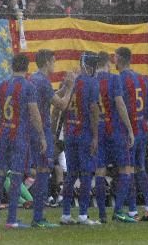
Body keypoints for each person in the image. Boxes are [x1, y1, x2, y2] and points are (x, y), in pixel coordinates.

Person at [0, 54, 45, 228]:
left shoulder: (0, 86)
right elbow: (34, 113)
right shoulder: (28, 86)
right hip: (19, 136)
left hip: (4, 135)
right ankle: (11, 220)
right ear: (27, 68)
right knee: (16, 177)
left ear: (11, 66)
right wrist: (42, 136)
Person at [92, 52, 136, 223]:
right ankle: (117, 210)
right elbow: (120, 103)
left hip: (99, 130)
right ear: (107, 64)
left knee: (100, 171)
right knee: (125, 169)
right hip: (115, 130)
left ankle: (102, 214)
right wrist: (130, 129)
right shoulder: (114, 79)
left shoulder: (92, 81)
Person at [115, 47, 148, 221]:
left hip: (128, 131)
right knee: (140, 168)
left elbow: (118, 106)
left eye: (115, 58)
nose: (113, 61)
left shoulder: (120, 80)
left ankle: (132, 210)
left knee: (127, 169)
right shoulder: (142, 78)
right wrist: (144, 121)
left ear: (119, 59)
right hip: (142, 129)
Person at [28, 49, 68, 228]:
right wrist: (71, 86)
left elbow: (51, 97)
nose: (55, 64)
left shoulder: (35, 79)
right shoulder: (42, 82)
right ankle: (38, 217)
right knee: (44, 173)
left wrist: (64, 88)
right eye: (53, 61)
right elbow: (61, 104)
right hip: (41, 130)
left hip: (33, 131)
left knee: (41, 171)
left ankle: (36, 216)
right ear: (47, 62)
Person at [59, 58, 99, 226]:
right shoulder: (91, 83)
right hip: (84, 133)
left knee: (71, 175)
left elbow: (60, 104)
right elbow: (93, 108)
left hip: (69, 132)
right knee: (86, 174)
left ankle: (66, 214)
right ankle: (83, 214)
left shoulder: (70, 82)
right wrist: (96, 135)